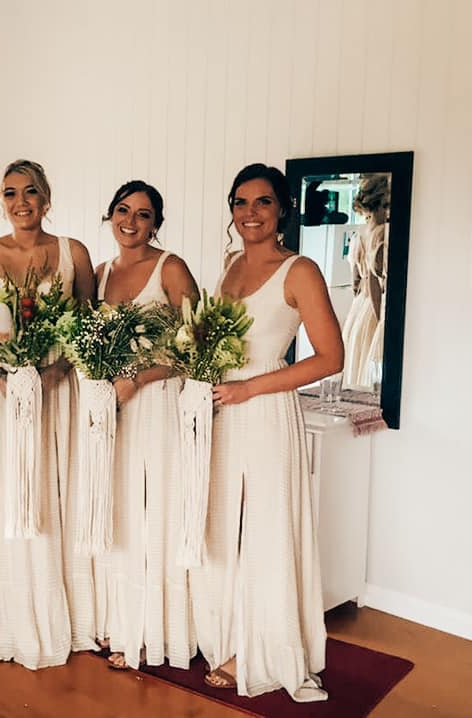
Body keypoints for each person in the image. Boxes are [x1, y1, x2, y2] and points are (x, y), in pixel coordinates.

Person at [189, 163, 343, 701]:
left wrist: (249, 389)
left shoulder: (299, 270)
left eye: (262, 203)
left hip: (263, 412)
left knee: (262, 529)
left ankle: (258, 646)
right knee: (223, 526)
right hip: (219, 411)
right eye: (240, 203)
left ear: (282, 209)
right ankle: (225, 628)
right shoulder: (229, 265)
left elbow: (330, 358)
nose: (249, 214)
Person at [0, 159, 96, 668]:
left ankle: (63, 612)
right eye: (11, 193)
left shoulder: (72, 253)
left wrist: (54, 376)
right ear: (1, 201)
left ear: (46, 197)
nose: (22, 203)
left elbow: (87, 327)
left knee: (51, 492)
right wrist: (2, 378)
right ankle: (7, 614)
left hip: (56, 394)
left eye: (31, 192)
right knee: (2, 499)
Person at [91, 180, 199, 671]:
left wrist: (139, 377)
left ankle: (159, 629)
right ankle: (122, 622)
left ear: (157, 223)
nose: (131, 221)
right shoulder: (97, 273)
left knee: (156, 508)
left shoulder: (170, 267)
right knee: (120, 509)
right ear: (110, 214)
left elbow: (199, 346)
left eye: (144, 214)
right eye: (122, 210)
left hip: (155, 404)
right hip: (110, 409)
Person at [341, 173, 389, 389]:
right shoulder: (382, 233)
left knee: (358, 359)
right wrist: (381, 319)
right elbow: (372, 281)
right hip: (374, 303)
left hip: (360, 305)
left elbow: (355, 282)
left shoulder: (358, 234)